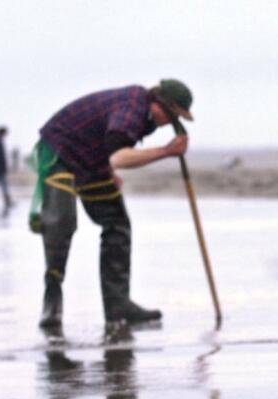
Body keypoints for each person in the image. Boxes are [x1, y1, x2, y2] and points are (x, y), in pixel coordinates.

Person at [31, 79, 193, 329]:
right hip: (60, 151)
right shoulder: (133, 110)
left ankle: (118, 305)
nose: (168, 125)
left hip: (91, 160)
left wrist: (107, 169)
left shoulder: (145, 115)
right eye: (171, 117)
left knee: (116, 223)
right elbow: (119, 156)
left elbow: (109, 148)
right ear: (160, 105)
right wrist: (166, 151)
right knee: (61, 226)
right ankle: (51, 301)